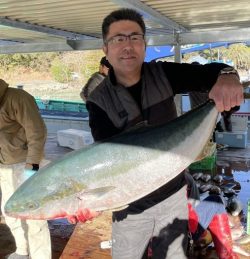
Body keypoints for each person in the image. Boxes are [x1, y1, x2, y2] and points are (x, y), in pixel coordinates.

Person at [73, 8, 243, 259]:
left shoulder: (163, 73)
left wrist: (228, 75)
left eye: (135, 37)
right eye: (118, 39)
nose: (127, 45)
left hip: (174, 195)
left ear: (144, 44)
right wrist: (93, 201)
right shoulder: (98, 100)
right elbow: (108, 158)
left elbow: (211, 73)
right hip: (130, 208)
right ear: (105, 49)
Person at [0, 79, 51, 259]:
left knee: (34, 215)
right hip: (4, 167)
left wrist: (32, 168)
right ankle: (22, 251)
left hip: (25, 164)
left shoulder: (18, 98)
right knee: (10, 212)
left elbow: (37, 132)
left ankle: (41, 257)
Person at [185, 172, 239, 258]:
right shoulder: (184, 179)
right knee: (215, 200)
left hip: (158, 238)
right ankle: (227, 256)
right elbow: (192, 217)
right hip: (182, 236)